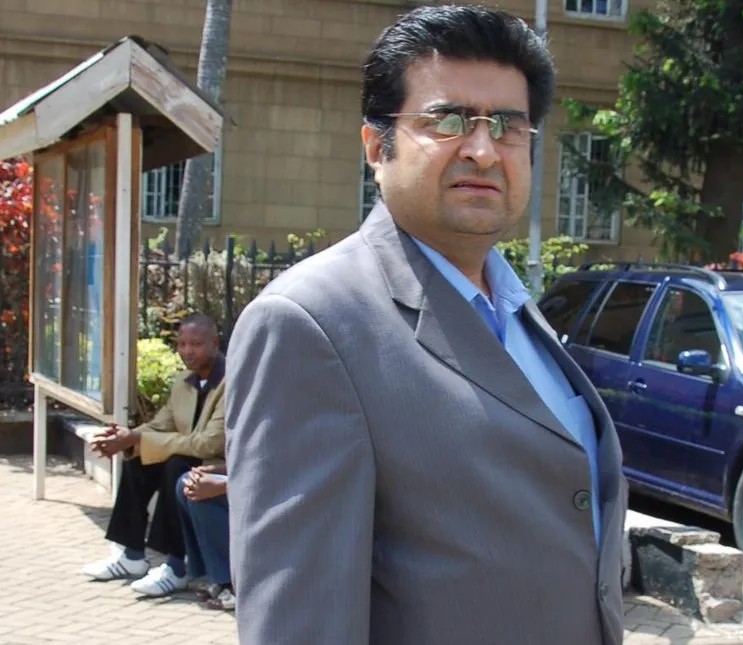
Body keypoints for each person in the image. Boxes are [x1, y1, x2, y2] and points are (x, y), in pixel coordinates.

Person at [226, 5, 627, 645]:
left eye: (508, 126)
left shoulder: (515, 306)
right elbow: (299, 622)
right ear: (375, 146)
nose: (482, 150)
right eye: (447, 120)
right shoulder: (310, 325)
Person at [83, 313, 226, 598]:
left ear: (215, 343)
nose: (187, 351)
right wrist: (126, 437)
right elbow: (161, 424)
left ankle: (176, 567)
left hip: (219, 464)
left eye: (196, 344)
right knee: (138, 460)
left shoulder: (230, 383)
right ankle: (131, 556)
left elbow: (210, 443)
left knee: (176, 465)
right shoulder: (183, 381)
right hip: (189, 453)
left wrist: (139, 438)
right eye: (182, 344)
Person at [175, 463, 235, 610]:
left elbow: (274, 475)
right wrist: (213, 470)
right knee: (186, 483)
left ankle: (234, 584)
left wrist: (222, 487)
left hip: (271, 496)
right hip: (244, 480)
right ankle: (214, 576)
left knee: (202, 496)